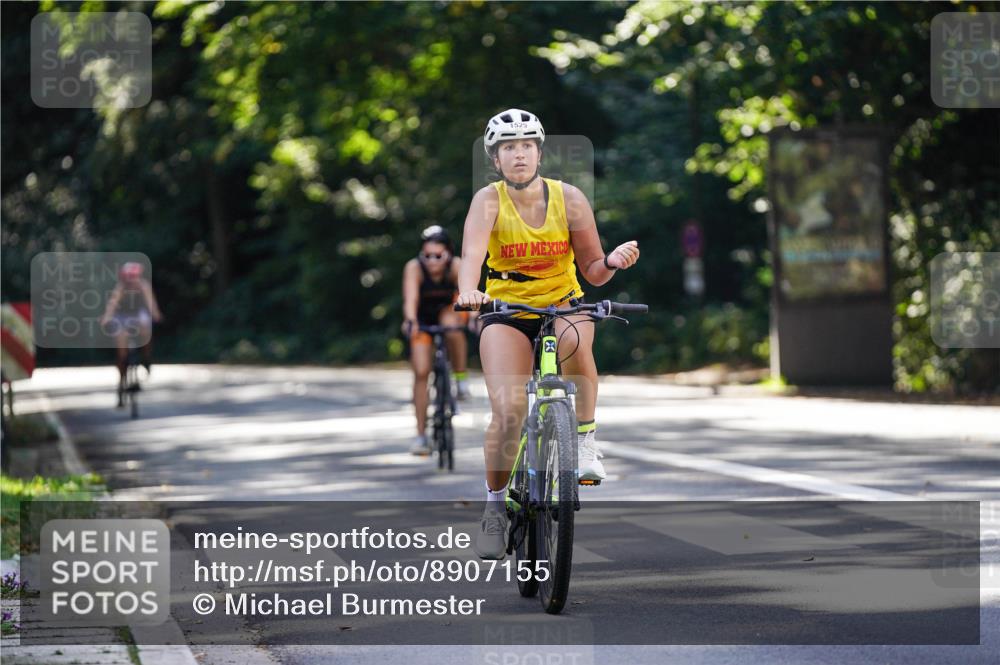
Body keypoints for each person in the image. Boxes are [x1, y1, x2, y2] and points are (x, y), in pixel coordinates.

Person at [456, 109, 640, 559]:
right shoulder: (488, 201)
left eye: (525, 146)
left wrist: (612, 262)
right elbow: (472, 258)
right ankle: (495, 506)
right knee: (510, 411)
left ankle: (584, 440)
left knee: (577, 338)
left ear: (539, 152)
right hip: (507, 310)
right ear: (495, 160)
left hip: (563, 303)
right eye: (507, 148)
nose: (518, 154)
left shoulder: (570, 198)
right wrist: (468, 291)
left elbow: (593, 272)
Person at [401, 225, 473, 455]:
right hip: (422, 317)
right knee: (421, 372)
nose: (432, 261)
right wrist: (410, 320)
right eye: (427, 256)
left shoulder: (456, 266)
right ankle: (421, 436)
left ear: (448, 254)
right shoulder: (414, 268)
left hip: (447, 310)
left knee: (452, 328)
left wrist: (473, 317)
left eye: (438, 256)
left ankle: (460, 379)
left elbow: (467, 295)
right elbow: (410, 299)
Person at [100, 262, 162, 406]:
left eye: (134, 277)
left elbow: (151, 304)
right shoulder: (121, 288)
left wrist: (156, 314)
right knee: (121, 345)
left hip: (138, 315)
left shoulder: (144, 286)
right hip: (122, 316)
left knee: (146, 329)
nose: (132, 281)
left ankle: (146, 358)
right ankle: (123, 370)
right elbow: (112, 304)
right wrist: (106, 317)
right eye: (129, 278)